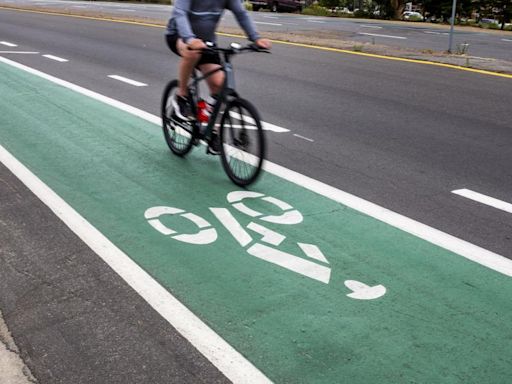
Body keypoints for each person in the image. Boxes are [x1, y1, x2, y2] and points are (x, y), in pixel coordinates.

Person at [165, 0, 271, 154]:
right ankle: (181, 96)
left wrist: (255, 38)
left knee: (220, 85)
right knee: (192, 53)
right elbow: (180, 14)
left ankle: (212, 129)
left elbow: (241, 14)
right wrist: (190, 39)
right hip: (179, 36)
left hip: (206, 43)